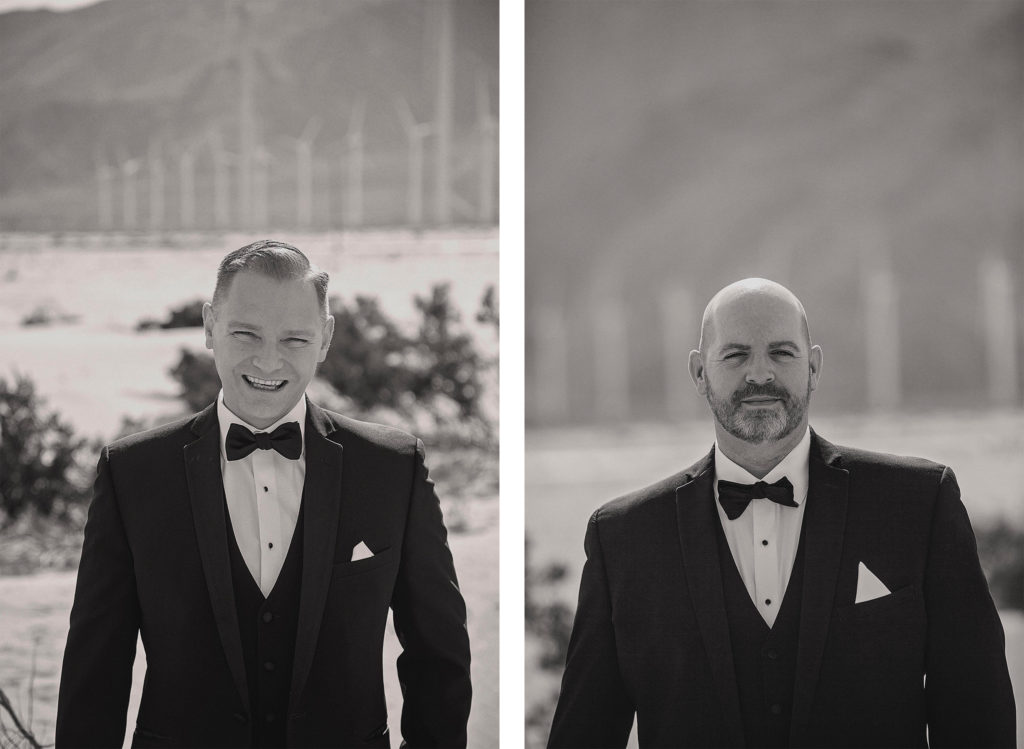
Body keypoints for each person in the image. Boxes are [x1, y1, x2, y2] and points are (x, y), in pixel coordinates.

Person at [547, 278, 1015, 748]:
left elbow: (978, 710)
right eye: (734, 355)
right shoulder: (624, 539)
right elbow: (584, 732)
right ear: (698, 373)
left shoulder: (918, 504)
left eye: (781, 353)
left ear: (813, 366)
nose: (759, 374)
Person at [56, 240, 471, 748]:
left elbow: (439, 654)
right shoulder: (133, 473)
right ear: (210, 326)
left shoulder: (391, 468)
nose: (268, 360)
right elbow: (96, 667)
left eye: (295, 339)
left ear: (325, 338)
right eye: (245, 333)